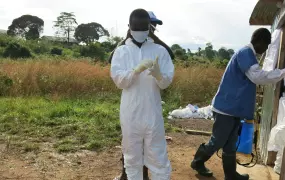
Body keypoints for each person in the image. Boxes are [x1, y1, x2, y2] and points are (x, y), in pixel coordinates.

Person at [190, 28, 285, 180]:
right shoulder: (245, 53)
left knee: (230, 143)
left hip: (234, 109)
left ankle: (230, 175)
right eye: (266, 45)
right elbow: (257, 77)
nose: (266, 49)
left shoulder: (250, 55)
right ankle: (197, 161)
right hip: (225, 108)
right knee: (218, 140)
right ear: (259, 40)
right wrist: (282, 73)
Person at [110, 8, 174, 180]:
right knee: (131, 158)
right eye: (136, 27)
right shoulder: (121, 51)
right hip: (130, 113)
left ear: (149, 28)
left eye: (143, 27)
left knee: (158, 157)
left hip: (152, 112)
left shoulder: (159, 51)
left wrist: (159, 75)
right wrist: (135, 71)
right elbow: (119, 81)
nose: (139, 31)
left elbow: (166, 82)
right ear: (129, 27)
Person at [108, 11, 174, 64]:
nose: (153, 29)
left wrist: (155, 38)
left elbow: (171, 56)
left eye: (154, 26)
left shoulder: (155, 45)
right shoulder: (126, 45)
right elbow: (111, 60)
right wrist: (126, 38)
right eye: (151, 25)